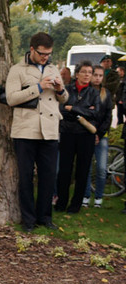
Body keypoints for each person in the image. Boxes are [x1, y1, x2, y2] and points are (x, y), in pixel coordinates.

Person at [5, 32, 67, 232]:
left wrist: (59, 90)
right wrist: (38, 87)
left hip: (49, 130)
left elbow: (64, 99)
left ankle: (45, 217)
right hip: (25, 130)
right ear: (32, 49)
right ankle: (28, 220)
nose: (45, 57)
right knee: (25, 178)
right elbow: (11, 98)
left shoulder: (53, 68)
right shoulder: (17, 70)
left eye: (48, 54)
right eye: (42, 53)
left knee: (49, 176)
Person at [55, 61, 99, 214]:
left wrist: (73, 108)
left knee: (82, 171)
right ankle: (61, 203)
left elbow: (95, 113)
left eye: (90, 72)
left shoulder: (94, 93)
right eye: (84, 72)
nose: (87, 75)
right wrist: (83, 110)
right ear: (77, 74)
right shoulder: (67, 90)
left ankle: (75, 205)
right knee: (64, 170)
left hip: (85, 135)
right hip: (68, 132)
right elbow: (61, 109)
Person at [82, 65, 112, 209]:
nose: (97, 78)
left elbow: (108, 117)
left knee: (101, 168)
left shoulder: (106, 94)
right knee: (86, 167)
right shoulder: (86, 92)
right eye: (95, 75)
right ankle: (86, 195)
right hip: (86, 133)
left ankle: (99, 197)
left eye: (100, 75)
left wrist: (99, 134)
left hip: (101, 135)